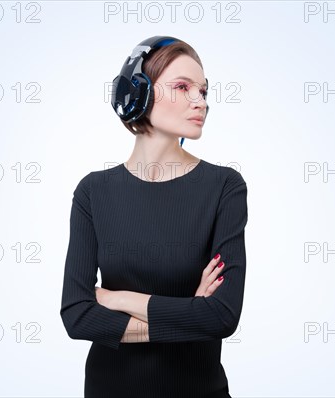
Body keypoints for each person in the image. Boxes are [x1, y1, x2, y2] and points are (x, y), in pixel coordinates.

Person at [60, 36, 248, 398]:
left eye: (204, 91)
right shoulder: (93, 192)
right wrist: (189, 314)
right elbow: (76, 316)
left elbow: (222, 317)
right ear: (138, 93)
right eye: (183, 87)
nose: (201, 102)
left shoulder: (225, 186)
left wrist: (118, 299)